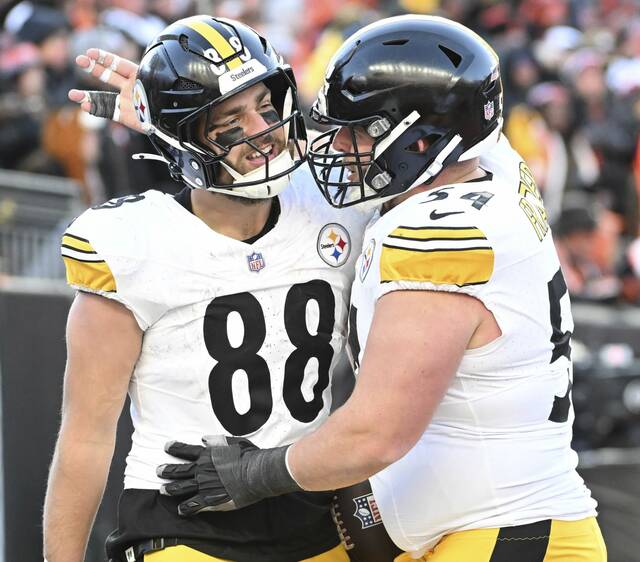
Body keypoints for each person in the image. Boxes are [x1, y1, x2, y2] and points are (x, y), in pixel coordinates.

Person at [157, 15, 608, 562]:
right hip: (487, 531)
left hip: (508, 536)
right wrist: (181, 117)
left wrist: (256, 473)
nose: (338, 143)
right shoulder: (490, 164)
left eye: (360, 129)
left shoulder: (437, 233)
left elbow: (377, 433)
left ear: (421, 139)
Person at [42, 15, 371, 562]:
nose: (264, 131)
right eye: (231, 120)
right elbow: (86, 435)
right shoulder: (130, 243)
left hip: (310, 507)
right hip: (184, 520)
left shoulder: (335, 204)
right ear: (183, 138)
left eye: (267, 107)